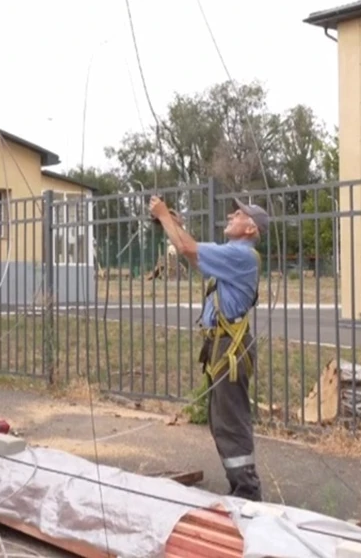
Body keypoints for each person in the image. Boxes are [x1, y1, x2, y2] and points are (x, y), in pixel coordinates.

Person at [149, 195, 269, 502]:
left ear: (250, 227)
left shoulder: (240, 255)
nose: (231, 215)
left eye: (238, 213)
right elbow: (194, 258)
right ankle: (240, 487)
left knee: (230, 421)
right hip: (221, 345)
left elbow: (189, 248)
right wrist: (172, 225)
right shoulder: (233, 256)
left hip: (230, 347)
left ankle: (247, 492)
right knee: (221, 420)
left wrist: (163, 215)